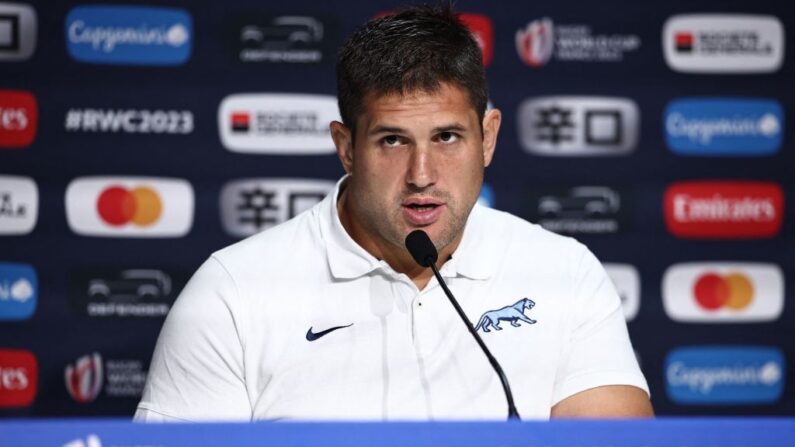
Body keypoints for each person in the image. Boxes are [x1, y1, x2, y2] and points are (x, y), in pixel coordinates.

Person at [134, 4, 653, 421]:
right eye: (392, 140)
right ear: (346, 147)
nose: (422, 173)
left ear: (488, 138)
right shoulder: (233, 293)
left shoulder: (566, 272)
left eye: (447, 137)